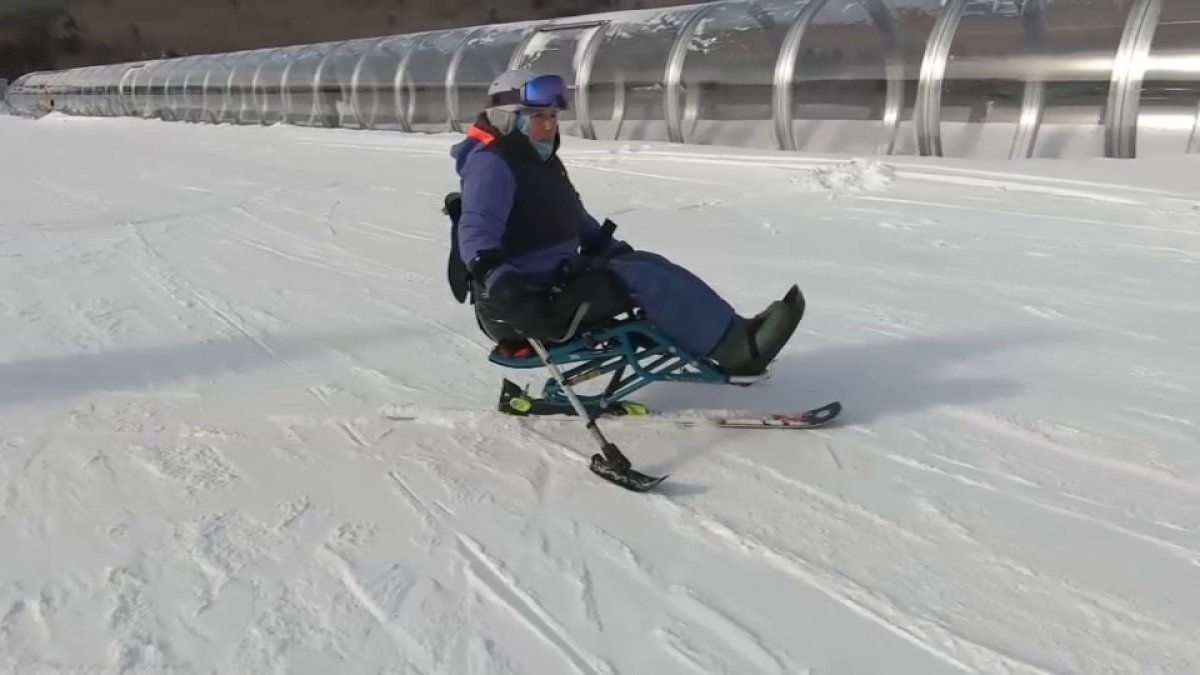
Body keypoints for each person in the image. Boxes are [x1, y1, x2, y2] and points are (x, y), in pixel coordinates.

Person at [448, 69, 804, 376]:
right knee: (644, 280)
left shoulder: (535, 160)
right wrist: (510, 291)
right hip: (528, 305)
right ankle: (737, 352)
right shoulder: (491, 165)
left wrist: (606, 246)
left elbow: (569, 215)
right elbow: (476, 231)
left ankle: (735, 331)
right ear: (508, 119)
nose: (549, 125)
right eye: (538, 116)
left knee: (647, 263)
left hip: (552, 282)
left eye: (553, 116)